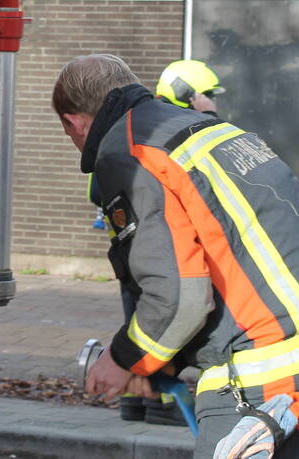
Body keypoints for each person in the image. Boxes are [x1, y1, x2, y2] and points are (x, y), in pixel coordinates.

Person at [54, 54, 299, 457]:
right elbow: (223, 252)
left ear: (73, 121)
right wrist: (162, 362)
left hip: (268, 371)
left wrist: (123, 359)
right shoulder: (196, 126)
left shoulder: (127, 151)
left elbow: (180, 296)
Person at [91, 58, 225, 426]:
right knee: (163, 317)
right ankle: (160, 403)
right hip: (156, 251)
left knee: (143, 318)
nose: (212, 99)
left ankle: (135, 400)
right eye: (207, 93)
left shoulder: (146, 127)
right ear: (187, 93)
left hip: (140, 251)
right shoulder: (169, 132)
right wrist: (210, 115)